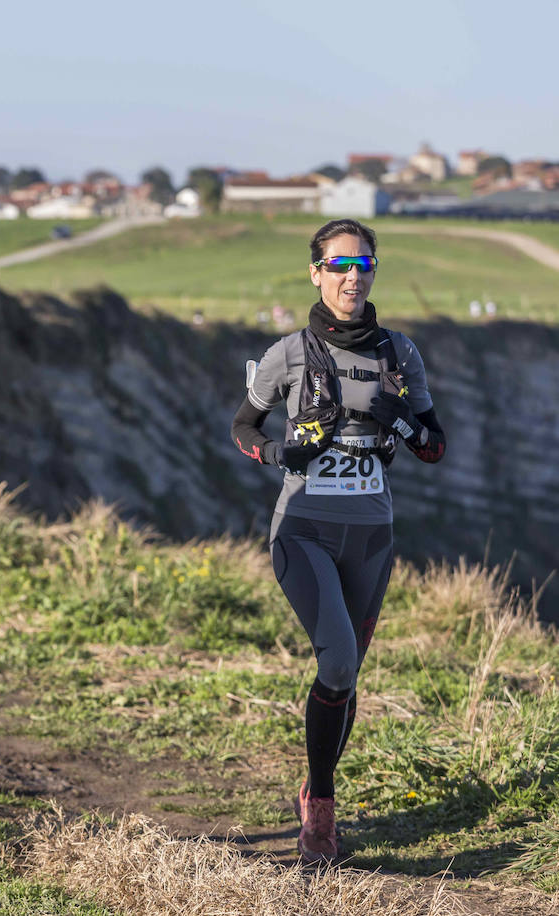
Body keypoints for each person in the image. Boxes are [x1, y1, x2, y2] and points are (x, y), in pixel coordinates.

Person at [230, 219, 445, 864]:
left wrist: (399, 418)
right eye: (341, 265)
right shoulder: (288, 353)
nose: (354, 276)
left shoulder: (399, 354)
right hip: (304, 529)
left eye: (365, 265)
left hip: (372, 537)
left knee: (345, 678)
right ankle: (320, 811)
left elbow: (433, 447)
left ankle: (313, 792)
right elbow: (243, 425)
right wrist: (280, 451)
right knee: (340, 662)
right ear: (317, 272)